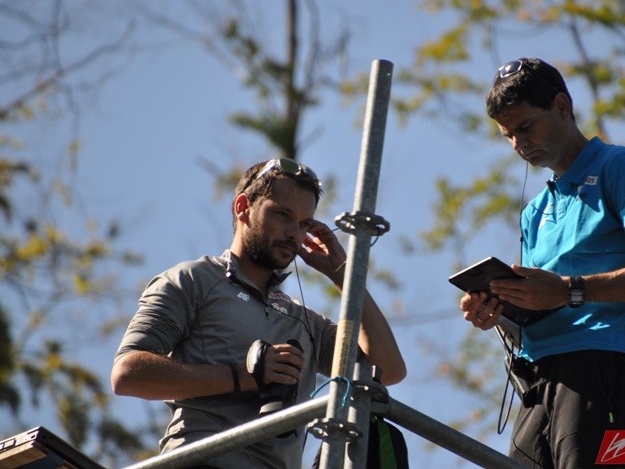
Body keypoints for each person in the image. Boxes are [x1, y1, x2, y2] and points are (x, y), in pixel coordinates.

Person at [459, 57, 625, 468]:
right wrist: (500, 314)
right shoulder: (534, 212)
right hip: (537, 383)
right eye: (508, 135)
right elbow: (538, 310)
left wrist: (568, 290)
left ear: (562, 107)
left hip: (604, 368)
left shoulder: (619, 165)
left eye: (525, 127)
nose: (518, 143)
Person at [111, 158, 406, 468]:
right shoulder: (195, 280)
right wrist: (244, 376)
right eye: (283, 215)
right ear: (243, 207)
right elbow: (127, 374)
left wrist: (344, 276)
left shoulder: (305, 322)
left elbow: (388, 370)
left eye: (305, 224)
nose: (294, 234)